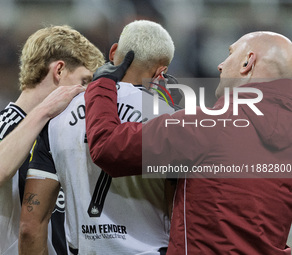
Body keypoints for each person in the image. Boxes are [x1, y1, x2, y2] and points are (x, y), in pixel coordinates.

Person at [84, 31, 292, 254]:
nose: (221, 65)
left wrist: (102, 85)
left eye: (230, 54)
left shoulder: (205, 125)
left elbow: (108, 148)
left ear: (247, 62)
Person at [19, 20, 177, 255]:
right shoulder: (169, 121)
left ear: (113, 53)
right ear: (161, 72)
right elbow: (180, 213)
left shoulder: (58, 117)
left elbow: (30, 228)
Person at [0, 25, 104, 255]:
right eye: (84, 81)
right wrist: (45, 110)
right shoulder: (3, 125)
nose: (86, 93)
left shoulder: (59, 135)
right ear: (59, 71)